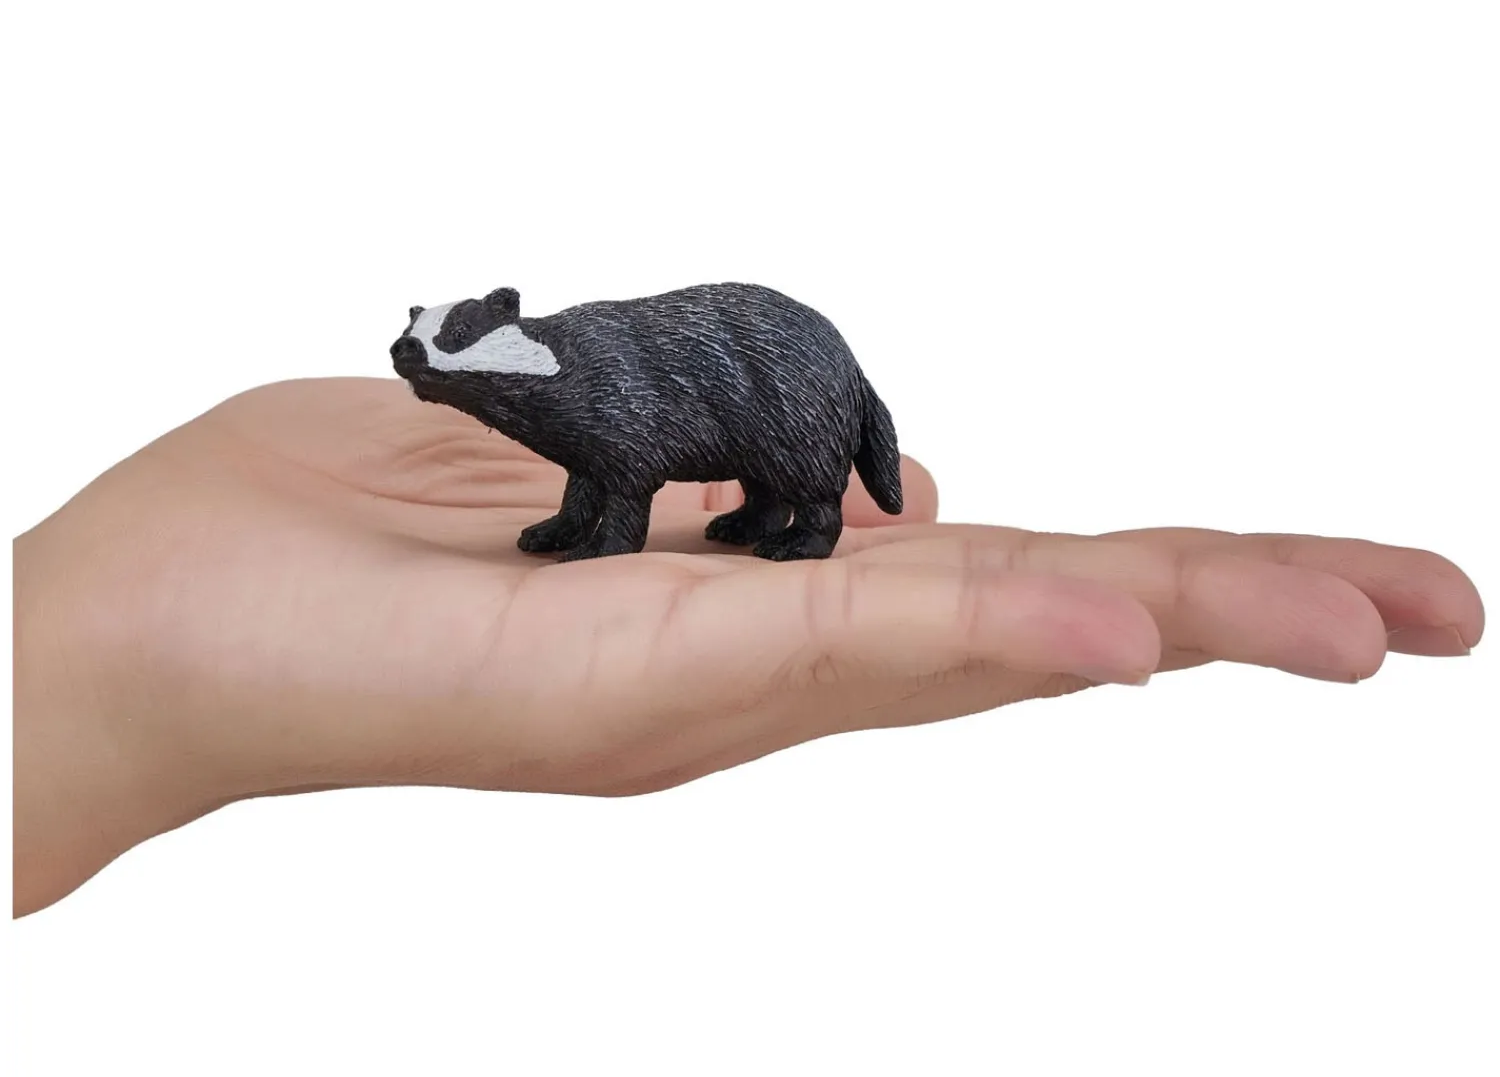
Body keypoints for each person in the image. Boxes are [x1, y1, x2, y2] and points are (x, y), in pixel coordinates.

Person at [12, 378, 1484, 917]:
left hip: (775, 383)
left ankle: (797, 510)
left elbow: (630, 448)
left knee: (770, 465)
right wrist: (81, 663)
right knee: (626, 477)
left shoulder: (572, 384)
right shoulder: (536, 391)